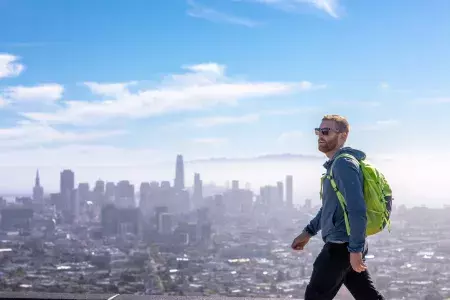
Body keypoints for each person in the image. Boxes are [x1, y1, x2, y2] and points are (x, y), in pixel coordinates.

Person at [291, 115, 384, 300]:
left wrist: (355, 250)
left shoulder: (343, 164)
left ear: (343, 136)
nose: (320, 136)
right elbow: (329, 208)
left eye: (326, 131)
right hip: (346, 246)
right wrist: (309, 232)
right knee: (368, 296)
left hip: (341, 247)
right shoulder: (336, 166)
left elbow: (357, 209)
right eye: (318, 131)